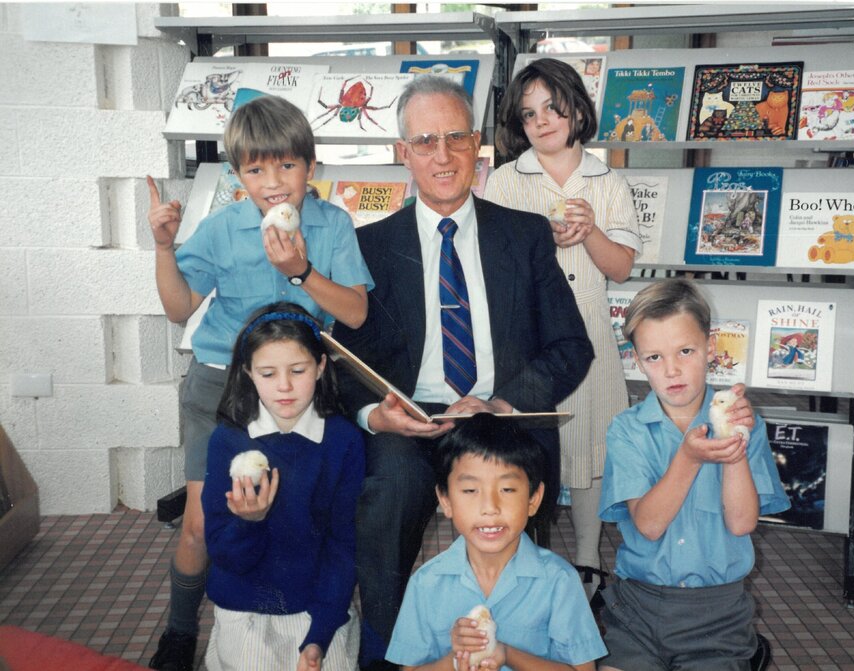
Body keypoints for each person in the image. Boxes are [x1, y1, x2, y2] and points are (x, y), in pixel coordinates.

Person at [330, 75, 593, 671]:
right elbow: (344, 364)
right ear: (404, 154)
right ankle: (389, 661)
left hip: (499, 419)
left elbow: (570, 347)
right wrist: (378, 414)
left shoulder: (523, 236)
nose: (442, 156)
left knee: (508, 512)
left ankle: (519, 654)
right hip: (412, 420)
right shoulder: (367, 246)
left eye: (455, 138)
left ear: (477, 144)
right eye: (425, 142)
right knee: (388, 498)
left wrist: (498, 404)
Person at [147, 94, 374, 671]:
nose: (274, 183)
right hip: (221, 384)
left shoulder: (332, 223)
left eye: (287, 165)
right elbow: (179, 309)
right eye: (256, 169)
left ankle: (303, 620)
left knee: (299, 511)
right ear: (236, 175)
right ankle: (179, 630)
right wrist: (163, 248)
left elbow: (354, 314)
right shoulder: (223, 228)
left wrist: (300, 271)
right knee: (202, 520)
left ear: (311, 166)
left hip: (301, 390)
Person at [485, 57, 641, 609]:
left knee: (590, 449)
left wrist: (590, 230)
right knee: (533, 451)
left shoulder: (608, 180)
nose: (543, 121)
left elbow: (620, 267)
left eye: (553, 107)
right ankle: (529, 561)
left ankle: (588, 557)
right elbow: (494, 265)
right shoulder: (504, 181)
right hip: (528, 342)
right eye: (529, 115)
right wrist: (540, 241)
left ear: (577, 108)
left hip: (592, 335)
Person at [597, 279, 790, 671]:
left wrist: (734, 444)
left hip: (717, 617)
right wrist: (688, 458)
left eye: (685, 351)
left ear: (711, 348)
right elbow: (649, 525)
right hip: (637, 609)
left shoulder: (745, 423)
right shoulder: (627, 430)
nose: (672, 369)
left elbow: (741, 523)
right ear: (636, 360)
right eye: (654, 357)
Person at [202, 302, 364, 671]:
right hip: (246, 605)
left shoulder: (343, 440)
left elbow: (343, 546)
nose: (285, 386)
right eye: (268, 373)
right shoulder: (227, 441)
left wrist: (320, 635)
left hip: (316, 605)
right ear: (248, 373)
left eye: (298, 370)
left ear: (321, 367)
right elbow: (226, 556)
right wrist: (249, 521)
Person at [385, 414, 607, 670]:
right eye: (470, 491)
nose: (490, 507)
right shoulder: (426, 583)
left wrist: (506, 654)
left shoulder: (559, 580)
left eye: (507, 490)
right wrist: (456, 660)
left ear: (534, 499)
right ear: (445, 500)